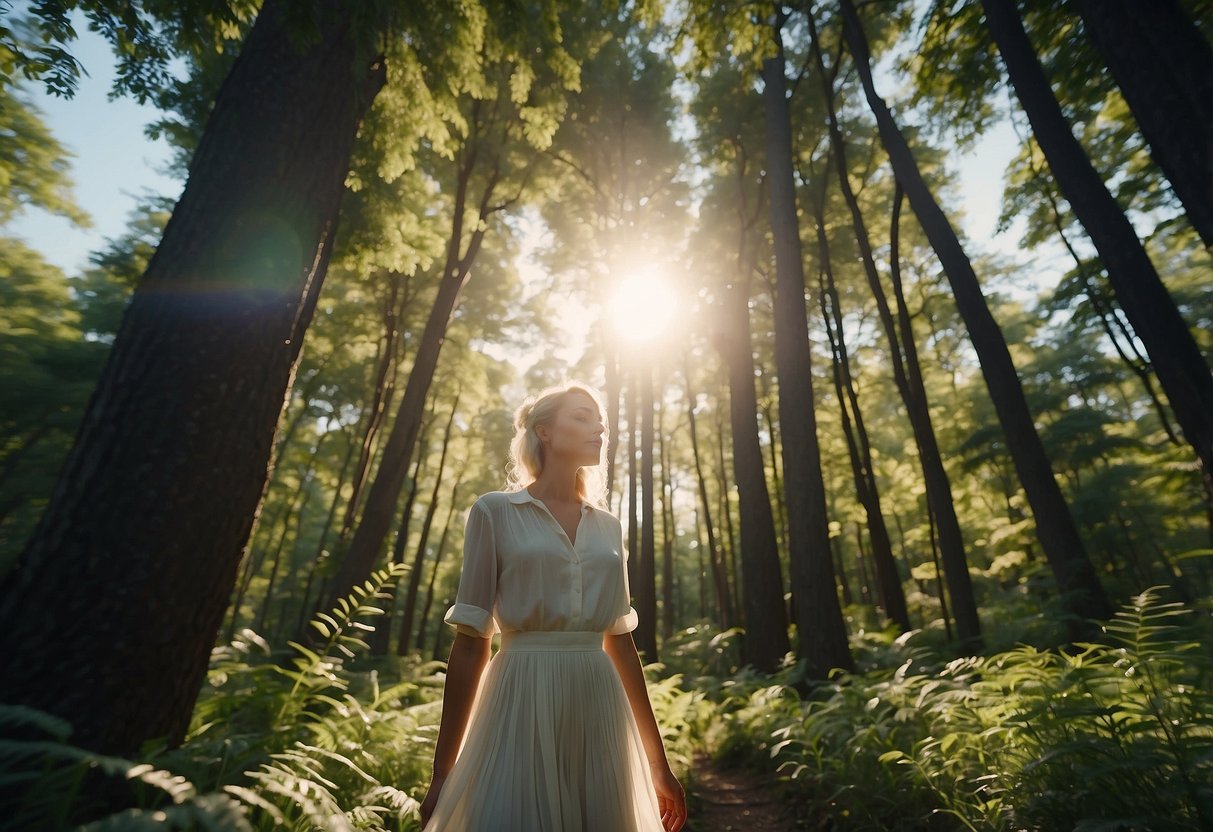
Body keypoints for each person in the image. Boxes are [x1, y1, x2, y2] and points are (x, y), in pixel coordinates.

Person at [418, 382, 687, 832]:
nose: (599, 426)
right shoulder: (494, 512)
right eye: (582, 416)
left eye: (599, 418)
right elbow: (470, 645)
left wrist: (658, 765)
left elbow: (621, 646)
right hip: (520, 696)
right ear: (544, 430)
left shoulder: (607, 526)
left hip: (599, 704)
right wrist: (443, 774)